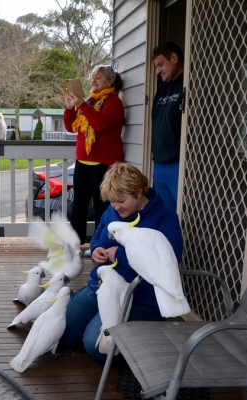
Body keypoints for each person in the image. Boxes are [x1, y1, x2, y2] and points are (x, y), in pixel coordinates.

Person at [58, 162, 183, 362]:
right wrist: (96, 249)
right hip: (101, 287)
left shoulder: (164, 219)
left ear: (139, 191)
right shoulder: (112, 212)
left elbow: (171, 262)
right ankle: (95, 322)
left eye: (121, 200)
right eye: (112, 201)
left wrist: (121, 256)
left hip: (139, 297)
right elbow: (98, 236)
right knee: (61, 332)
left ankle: (146, 337)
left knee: (96, 347)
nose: (116, 206)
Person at [63, 65, 125, 247]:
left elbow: (101, 123)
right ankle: (75, 243)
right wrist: (69, 108)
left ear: (110, 81)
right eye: (93, 78)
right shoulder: (89, 101)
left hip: (103, 162)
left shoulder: (113, 102)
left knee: (101, 205)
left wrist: (81, 104)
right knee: (79, 204)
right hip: (83, 159)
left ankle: (100, 244)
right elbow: (71, 126)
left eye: (99, 77)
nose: (94, 80)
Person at [151, 41, 185, 213]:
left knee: (184, 213)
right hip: (159, 165)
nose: (158, 71)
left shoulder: (189, 85)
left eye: (160, 64)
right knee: (165, 215)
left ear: (174, 58)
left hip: (179, 164)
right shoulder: (162, 90)